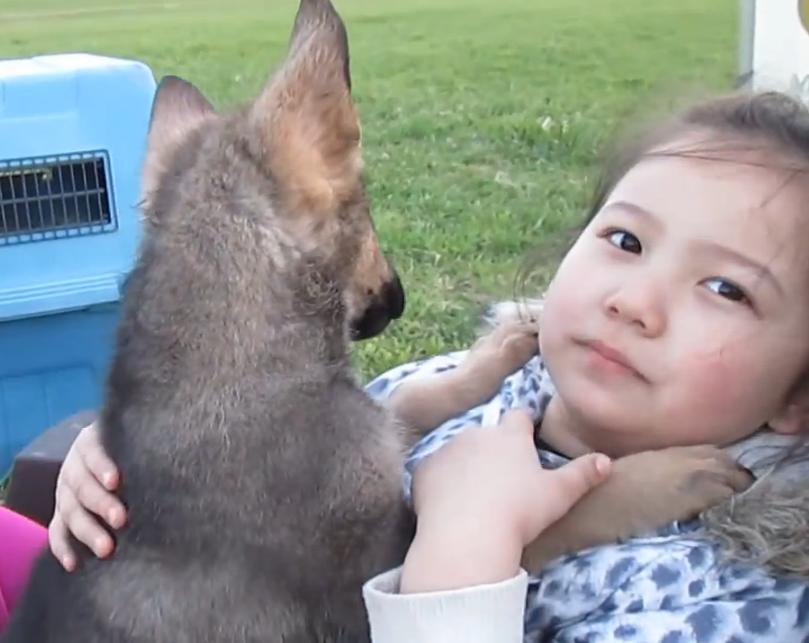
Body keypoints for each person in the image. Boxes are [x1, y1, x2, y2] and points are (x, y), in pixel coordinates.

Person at [35, 90, 809, 640]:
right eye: (626, 240)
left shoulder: (725, 594)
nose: (635, 300)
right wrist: (129, 455)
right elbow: (314, 463)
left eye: (724, 288)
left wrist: (467, 542)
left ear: (798, 396)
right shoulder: (520, 374)